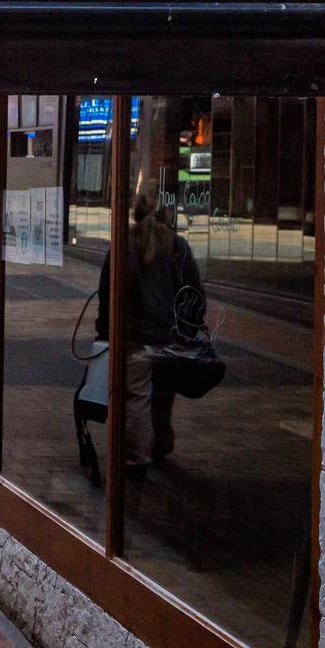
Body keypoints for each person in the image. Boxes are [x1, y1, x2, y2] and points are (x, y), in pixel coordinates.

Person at [95, 192, 205, 474]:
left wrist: (105, 331)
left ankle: (136, 456)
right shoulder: (178, 246)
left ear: (135, 214)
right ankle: (161, 444)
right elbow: (194, 293)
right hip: (171, 336)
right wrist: (190, 329)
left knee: (137, 396)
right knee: (164, 393)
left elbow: (107, 294)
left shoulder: (123, 246)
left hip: (134, 336)